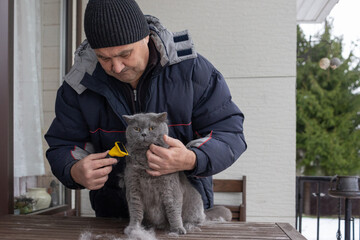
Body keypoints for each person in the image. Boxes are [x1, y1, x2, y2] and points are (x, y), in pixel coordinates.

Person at [45, 0, 247, 218]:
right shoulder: (78, 86)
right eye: (104, 58)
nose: (117, 67)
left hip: (184, 217)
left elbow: (229, 133)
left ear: (146, 38)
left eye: (125, 54)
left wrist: (191, 158)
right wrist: (74, 170)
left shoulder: (193, 71)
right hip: (115, 219)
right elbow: (63, 145)